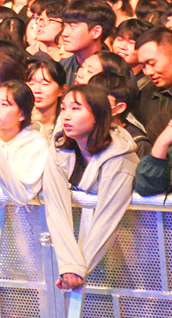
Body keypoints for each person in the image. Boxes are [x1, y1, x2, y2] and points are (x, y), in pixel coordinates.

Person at [48, 82, 138, 289]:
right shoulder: (59, 146)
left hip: (126, 253)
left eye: (76, 108)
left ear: (98, 114)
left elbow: (109, 217)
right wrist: (69, 265)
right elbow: (56, 206)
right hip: (79, 256)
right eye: (63, 108)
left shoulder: (120, 157)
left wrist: (79, 270)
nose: (66, 116)